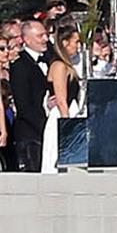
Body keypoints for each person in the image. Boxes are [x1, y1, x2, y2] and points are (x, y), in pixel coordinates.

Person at [9, 20, 52, 170]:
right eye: (40, 36)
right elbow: (24, 105)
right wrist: (46, 127)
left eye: (46, 35)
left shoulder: (50, 59)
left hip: (48, 131)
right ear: (26, 40)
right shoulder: (20, 65)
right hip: (31, 135)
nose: (46, 39)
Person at [41, 26, 83, 173]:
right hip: (62, 116)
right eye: (76, 42)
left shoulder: (68, 66)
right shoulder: (58, 65)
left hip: (71, 112)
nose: (78, 46)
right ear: (65, 43)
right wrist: (68, 125)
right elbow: (61, 98)